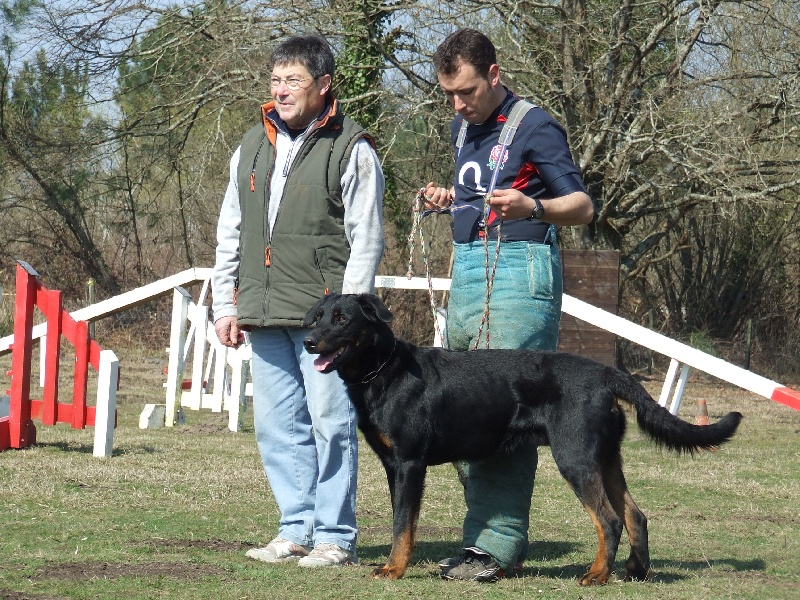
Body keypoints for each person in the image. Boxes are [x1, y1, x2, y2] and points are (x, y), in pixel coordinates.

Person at [423, 29, 594, 582]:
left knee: (506, 411)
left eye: (467, 91)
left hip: (520, 270)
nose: (459, 104)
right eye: (449, 94)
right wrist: (451, 199)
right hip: (469, 268)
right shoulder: (462, 127)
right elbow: (480, 189)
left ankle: (495, 546)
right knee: (457, 408)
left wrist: (534, 207)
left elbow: (583, 206)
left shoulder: (535, 125)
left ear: (494, 75)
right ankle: (480, 539)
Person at [211, 34, 385, 568]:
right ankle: (294, 528)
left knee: (331, 423)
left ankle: (335, 536)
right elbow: (230, 230)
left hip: (326, 318)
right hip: (262, 310)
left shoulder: (351, 147)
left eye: (293, 81)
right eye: (275, 80)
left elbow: (367, 237)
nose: (281, 91)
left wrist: (350, 316)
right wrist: (225, 303)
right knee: (276, 426)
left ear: (323, 85)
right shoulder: (250, 146)